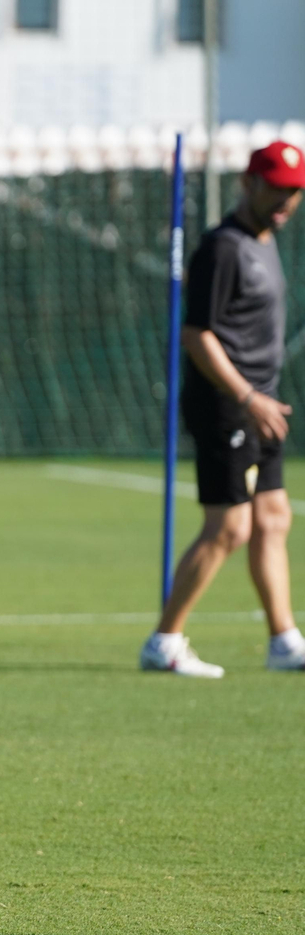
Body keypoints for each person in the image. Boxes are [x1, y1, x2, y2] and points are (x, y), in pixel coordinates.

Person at [141, 140, 305, 678]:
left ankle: (284, 642)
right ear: (248, 184)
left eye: (294, 193)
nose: (284, 203)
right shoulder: (223, 247)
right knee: (228, 528)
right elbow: (197, 333)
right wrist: (246, 397)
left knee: (273, 519)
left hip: (262, 404)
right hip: (227, 403)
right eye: (277, 191)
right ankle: (164, 641)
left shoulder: (265, 241)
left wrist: (262, 399)